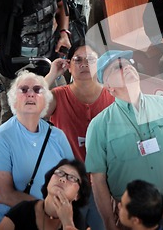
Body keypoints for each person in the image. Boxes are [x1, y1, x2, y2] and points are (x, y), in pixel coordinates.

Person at [85, 50, 163, 230]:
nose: (126, 67)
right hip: (131, 221)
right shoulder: (99, 126)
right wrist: (109, 223)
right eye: (118, 67)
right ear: (109, 87)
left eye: (127, 63)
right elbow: (98, 179)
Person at [0, 71, 74, 228]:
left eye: (38, 90)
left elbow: (74, 176)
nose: (31, 94)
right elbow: (3, 195)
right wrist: (48, 209)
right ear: (13, 100)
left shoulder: (57, 135)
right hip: (14, 221)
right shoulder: (1, 138)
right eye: (24, 89)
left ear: (45, 100)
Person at [45, 42, 114, 230]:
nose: (84, 64)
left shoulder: (113, 96)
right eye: (78, 59)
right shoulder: (57, 96)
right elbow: (31, 107)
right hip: (68, 184)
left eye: (90, 60)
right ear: (68, 65)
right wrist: (52, 74)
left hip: (104, 183)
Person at [0, 159, 91, 230]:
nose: (62, 179)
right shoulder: (23, 210)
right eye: (60, 172)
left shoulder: (78, 220)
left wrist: (68, 223)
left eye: (72, 177)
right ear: (49, 180)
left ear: (77, 195)